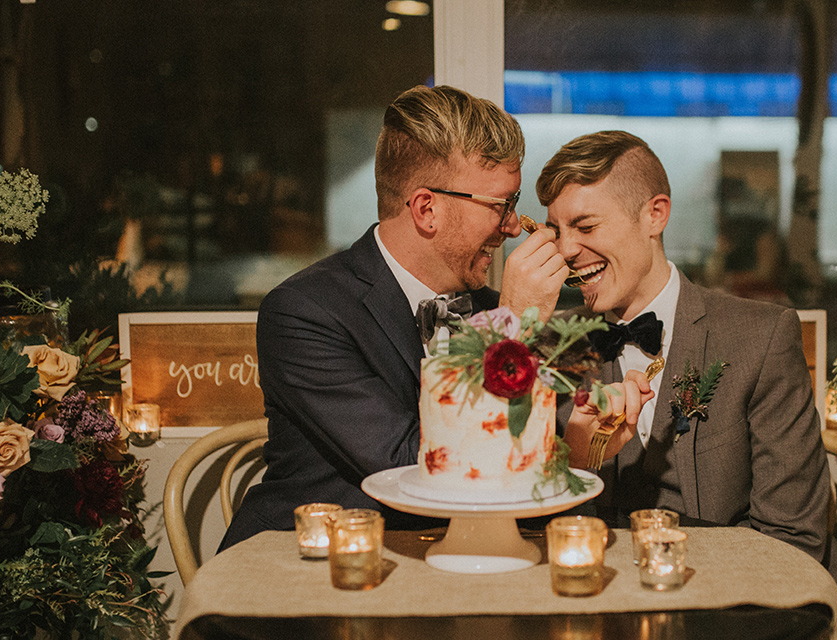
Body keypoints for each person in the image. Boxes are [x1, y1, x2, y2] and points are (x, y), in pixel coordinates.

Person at [218, 84, 582, 550]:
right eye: (500, 205)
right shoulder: (304, 312)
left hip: (463, 556)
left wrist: (583, 432)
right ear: (427, 209)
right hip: (315, 564)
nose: (513, 225)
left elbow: (533, 448)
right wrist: (515, 328)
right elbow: (417, 462)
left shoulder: (495, 307)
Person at [536, 129, 837, 640]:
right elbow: (529, 519)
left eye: (584, 225)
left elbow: (791, 539)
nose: (566, 250)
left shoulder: (761, 336)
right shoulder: (552, 345)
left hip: (749, 612)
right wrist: (582, 461)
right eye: (556, 230)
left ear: (655, 215)